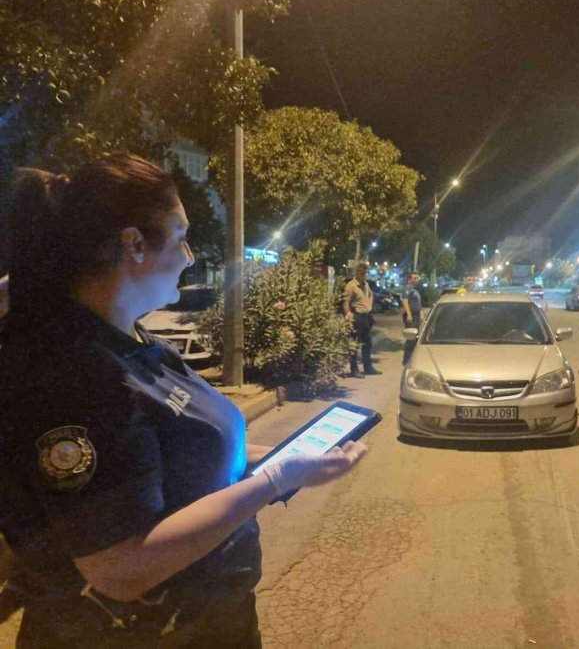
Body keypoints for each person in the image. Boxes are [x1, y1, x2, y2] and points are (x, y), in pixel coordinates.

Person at [0, 154, 368, 647]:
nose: (191, 255)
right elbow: (120, 567)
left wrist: (288, 458)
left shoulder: (135, 344)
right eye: (179, 236)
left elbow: (180, 456)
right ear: (133, 244)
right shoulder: (79, 377)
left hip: (205, 620)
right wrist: (276, 480)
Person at [343, 262, 381, 377]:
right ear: (357, 273)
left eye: (365, 273)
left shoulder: (366, 285)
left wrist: (369, 306)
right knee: (354, 345)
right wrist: (349, 315)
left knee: (367, 344)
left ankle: (368, 368)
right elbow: (346, 302)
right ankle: (354, 370)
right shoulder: (351, 285)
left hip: (366, 317)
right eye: (362, 273)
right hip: (357, 317)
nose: (364, 275)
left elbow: (370, 295)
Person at [401, 271, 422, 366]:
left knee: (415, 338)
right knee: (411, 338)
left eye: (417, 278)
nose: (416, 280)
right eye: (414, 278)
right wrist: (409, 314)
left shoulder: (415, 289)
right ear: (409, 279)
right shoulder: (408, 288)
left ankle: (411, 358)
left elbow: (418, 304)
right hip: (412, 316)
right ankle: (407, 360)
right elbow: (405, 301)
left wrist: (421, 315)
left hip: (416, 316)